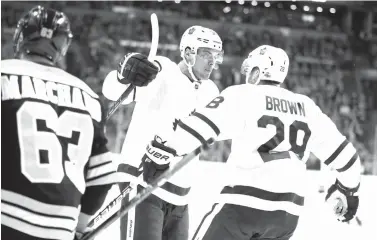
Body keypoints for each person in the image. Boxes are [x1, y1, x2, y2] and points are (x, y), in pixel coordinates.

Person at [140, 45, 361, 240]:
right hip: (287, 216)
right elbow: (347, 157)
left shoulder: (244, 94)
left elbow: (200, 127)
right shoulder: (306, 106)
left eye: (251, 69)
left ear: (258, 70)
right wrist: (349, 191)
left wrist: (161, 150)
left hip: (243, 205)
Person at [1, 6, 158, 240]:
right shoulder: (88, 97)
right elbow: (103, 176)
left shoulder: (4, 75)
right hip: (61, 229)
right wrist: (79, 227)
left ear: (21, 37)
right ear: (63, 46)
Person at [102, 26, 224, 240]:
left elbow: (213, 136)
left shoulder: (211, 91)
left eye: (216, 55)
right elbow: (111, 91)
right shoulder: (162, 71)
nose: (212, 61)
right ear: (188, 53)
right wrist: (123, 75)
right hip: (142, 183)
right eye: (206, 54)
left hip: (180, 196)